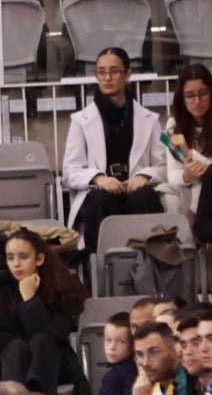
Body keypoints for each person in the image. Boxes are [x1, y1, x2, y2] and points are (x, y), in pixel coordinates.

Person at [64, 47, 167, 250]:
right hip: (100, 194)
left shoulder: (151, 119)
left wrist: (144, 176)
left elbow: (163, 166)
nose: (107, 77)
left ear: (128, 74)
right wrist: (98, 178)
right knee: (101, 198)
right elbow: (69, 173)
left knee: (143, 197)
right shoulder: (80, 121)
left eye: (115, 71)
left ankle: (150, 265)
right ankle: (101, 269)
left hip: (135, 191)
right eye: (101, 72)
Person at [0, 228, 90, 394]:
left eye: (23, 257)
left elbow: (56, 334)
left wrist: (30, 301)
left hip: (53, 364)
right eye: (10, 258)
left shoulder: (60, 288)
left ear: (39, 259)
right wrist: (25, 342)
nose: (16, 263)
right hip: (8, 363)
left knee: (42, 342)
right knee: (17, 347)